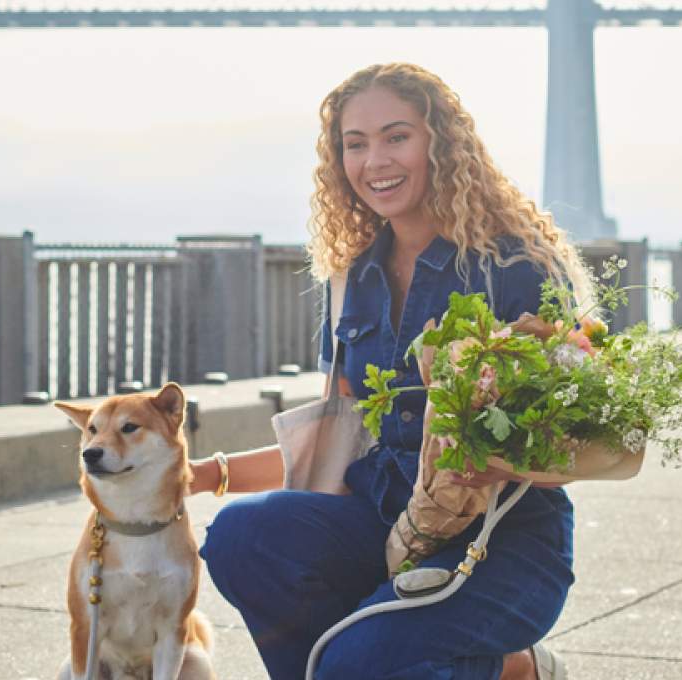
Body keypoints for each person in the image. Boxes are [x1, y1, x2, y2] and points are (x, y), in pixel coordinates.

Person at [188, 62, 597, 680]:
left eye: (396, 136)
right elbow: (341, 439)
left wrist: (498, 454)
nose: (375, 160)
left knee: (357, 665)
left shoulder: (518, 265)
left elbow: (580, 436)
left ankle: (511, 668)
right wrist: (201, 475)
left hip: (501, 541)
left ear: (442, 143)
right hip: (382, 522)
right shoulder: (353, 275)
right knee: (243, 537)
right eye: (356, 144)